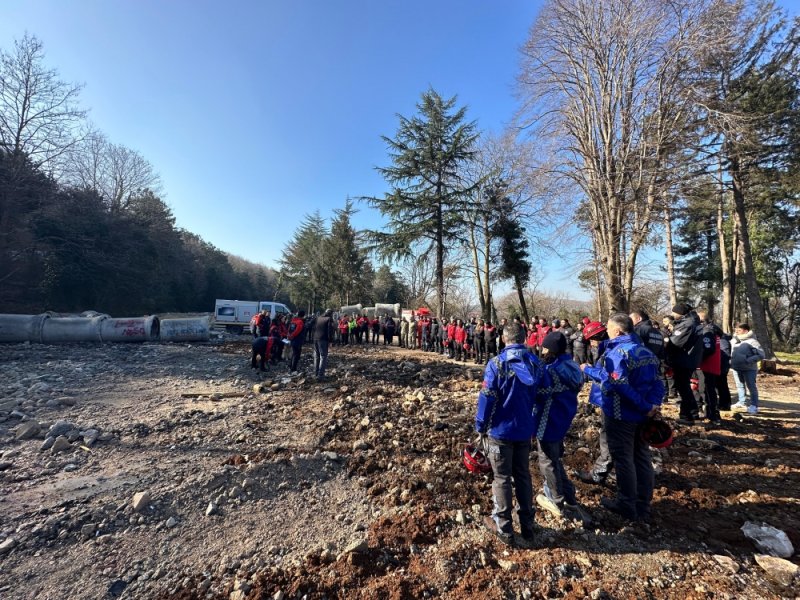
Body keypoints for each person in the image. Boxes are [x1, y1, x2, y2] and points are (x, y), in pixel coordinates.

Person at [581, 313, 664, 521]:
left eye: (608, 329)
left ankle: (626, 503)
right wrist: (653, 406)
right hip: (643, 415)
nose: (606, 332)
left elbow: (618, 384)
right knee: (642, 457)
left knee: (624, 459)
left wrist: (645, 406)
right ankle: (643, 505)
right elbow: (658, 383)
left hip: (621, 414)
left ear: (617, 331)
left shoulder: (618, 354)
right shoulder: (646, 352)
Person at [475, 322, 543, 547]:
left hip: (500, 430)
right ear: (524, 338)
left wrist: (480, 425)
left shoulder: (496, 364)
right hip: (524, 429)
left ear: (504, 339)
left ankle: (504, 527)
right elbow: (540, 397)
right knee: (523, 475)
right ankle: (528, 526)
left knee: (502, 477)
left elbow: (487, 396)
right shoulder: (535, 363)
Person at [533, 332, 589, 523]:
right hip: (565, 416)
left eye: (545, 347)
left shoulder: (550, 370)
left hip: (548, 419)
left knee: (547, 460)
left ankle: (555, 499)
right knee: (555, 457)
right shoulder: (573, 365)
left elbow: (538, 395)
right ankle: (569, 496)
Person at [665, 304, 703, 424]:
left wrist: (666, 339)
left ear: (680, 313)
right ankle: (689, 413)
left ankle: (690, 414)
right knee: (684, 387)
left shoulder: (687, 324)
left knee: (683, 388)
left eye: (674, 312)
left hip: (684, 359)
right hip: (689, 359)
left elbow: (676, 342)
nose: (673, 315)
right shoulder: (694, 323)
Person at [731, 323, 765, 414]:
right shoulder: (734, 340)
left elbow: (761, 355)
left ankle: (754, 405)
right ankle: (742, 402)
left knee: (751, 387)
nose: (736, 332)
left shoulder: (753, 341)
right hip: (736, 368)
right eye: (736, 330)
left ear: (745, 331)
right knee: (740, 386)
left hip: (749, 368)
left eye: (739, 330)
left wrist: (748, 360)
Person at [696, 310, 722, 426]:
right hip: (711, 364)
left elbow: (708, 349)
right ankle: (711, 413)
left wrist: (698, 360)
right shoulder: (713, 329)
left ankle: (713, 414)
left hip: (707, 365)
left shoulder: (707, 331)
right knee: (708, 389)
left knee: (706, 390)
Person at [313, 309, 335, 381]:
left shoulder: (318, 318)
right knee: (323, 357)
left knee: (317, 356)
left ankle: (316, 373)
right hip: (323, 339)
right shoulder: (329, 319)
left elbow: (314, 327)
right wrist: (331, 341)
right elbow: (330, 331)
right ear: (331, 314)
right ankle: (321, 376)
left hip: (315, 338)